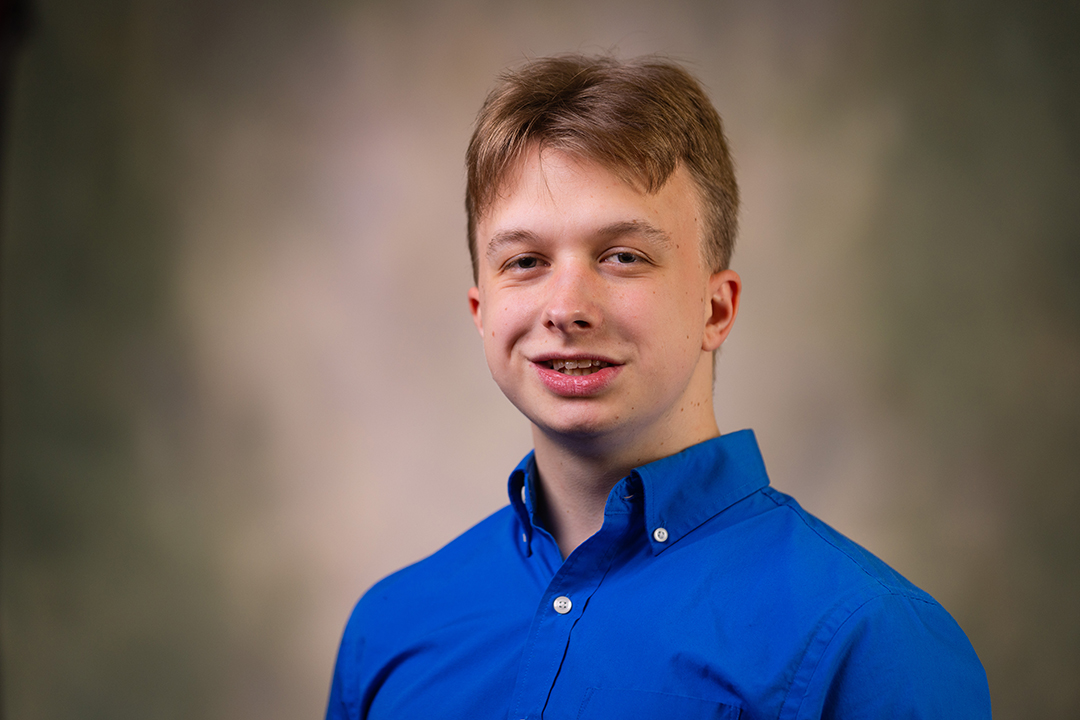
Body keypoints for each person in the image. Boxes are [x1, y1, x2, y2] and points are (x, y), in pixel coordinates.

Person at [326, 54, 990, 719]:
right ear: (482, 312)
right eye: (524, 261)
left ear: (716, 309)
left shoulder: (873, 643)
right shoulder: (389, 633)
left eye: (622, 256)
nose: (566, 308)